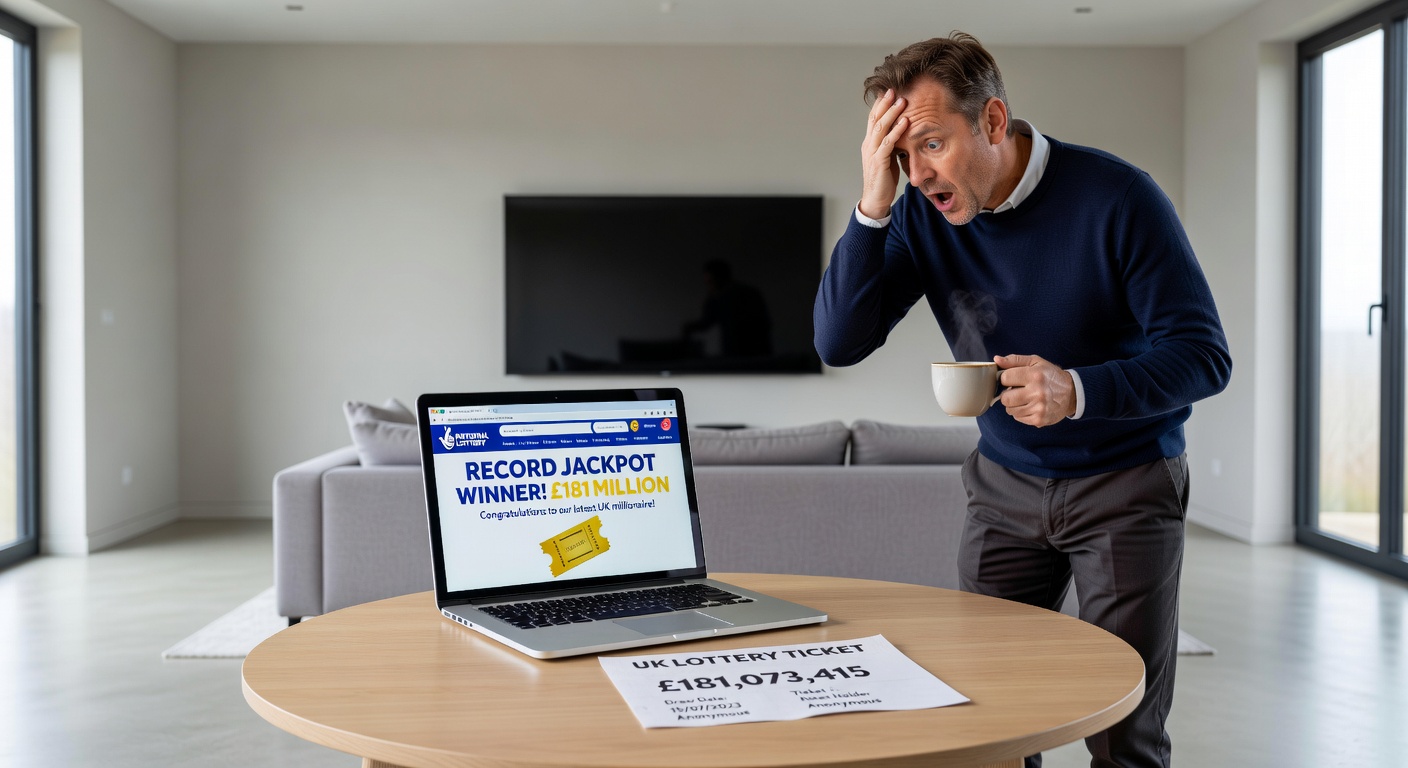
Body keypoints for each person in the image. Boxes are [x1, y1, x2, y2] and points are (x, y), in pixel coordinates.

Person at [813, 32, 1232, 768]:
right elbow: (839, 342)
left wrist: (1078, 389)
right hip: (1003, 483)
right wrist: (874, 204)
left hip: (1125, 482)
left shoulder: (1119, 198)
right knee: (988, 719)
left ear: (995, 122)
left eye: (933, 144)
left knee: (1123, 733)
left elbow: (1204, 356)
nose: (919, 174)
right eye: (900, 156)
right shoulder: (916, 211)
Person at [683, 259, 773, 358]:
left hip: (743, 353)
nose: (709, 286)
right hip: (755, 353)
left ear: (719, 278)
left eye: (710, 282)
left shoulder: (720, 298)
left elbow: (706, 322)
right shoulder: (750, 293)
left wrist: (688, 328)